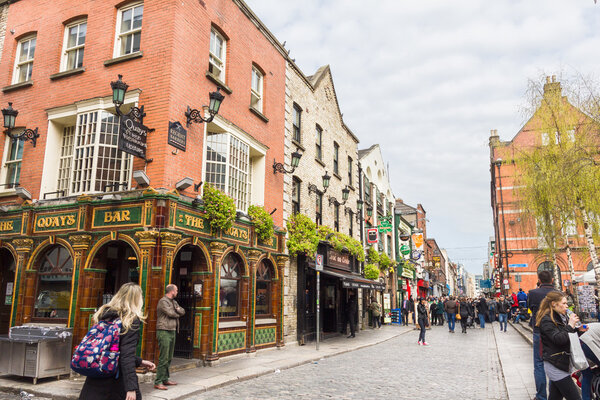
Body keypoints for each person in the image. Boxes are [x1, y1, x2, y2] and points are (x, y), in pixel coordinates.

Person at [79, 283, 155, 400]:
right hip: (115, 379)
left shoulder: (104, 315)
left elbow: (111, 350)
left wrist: (140, 361)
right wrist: (131, 388)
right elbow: (126, 355)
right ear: (137, 300)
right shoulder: (130, 320)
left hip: (96, 377)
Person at [537, 291, 582, 400]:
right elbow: (559, 339)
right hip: (555, 364)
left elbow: (567, 336)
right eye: (564, 303)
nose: (567, 306)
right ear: (554, 304)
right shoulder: (546, 319)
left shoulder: (560, 317)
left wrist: (578, 330)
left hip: (561, 362)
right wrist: (570, 325)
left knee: (555, 397)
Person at [528, 270, 558, 400]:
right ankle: (554, 395)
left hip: (539, 332)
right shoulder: (558, 294)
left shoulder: (533, 293)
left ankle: (541, 396)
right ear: (552, 280)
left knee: (539, 364)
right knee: (555, 363)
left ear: (539, 280)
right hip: (555, 332)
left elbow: (530, 307)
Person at [154, 284, 185, 391]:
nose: (177, 292)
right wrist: (177, 312)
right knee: (163, 357)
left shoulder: (174, 302)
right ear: (171, 291)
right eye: (176, 290)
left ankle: (165, 379)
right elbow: (171, 313)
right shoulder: (163, 301)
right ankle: (158, 381)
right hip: (164, 330)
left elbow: (183, 311)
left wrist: (178, 311)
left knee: (169, 357)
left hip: (172, 330)